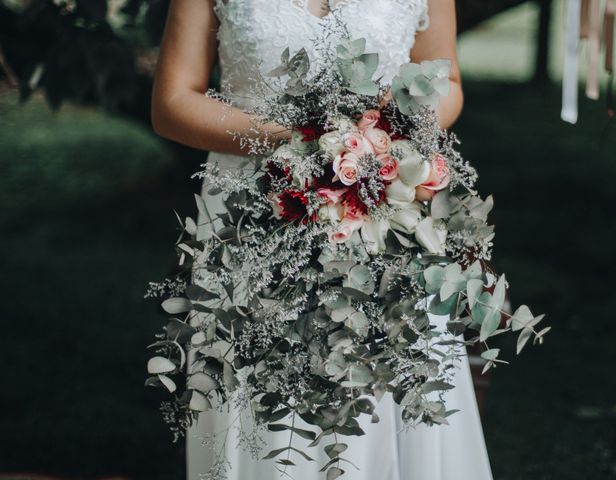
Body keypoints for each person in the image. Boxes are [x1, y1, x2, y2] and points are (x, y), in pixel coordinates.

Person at [151, 1, 492, 479]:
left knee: (384, 388)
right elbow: (173, 100)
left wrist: (383, 142)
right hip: (248, 221)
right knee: (258, 401)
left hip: (381, 211)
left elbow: (447, 84)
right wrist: (300, 143)